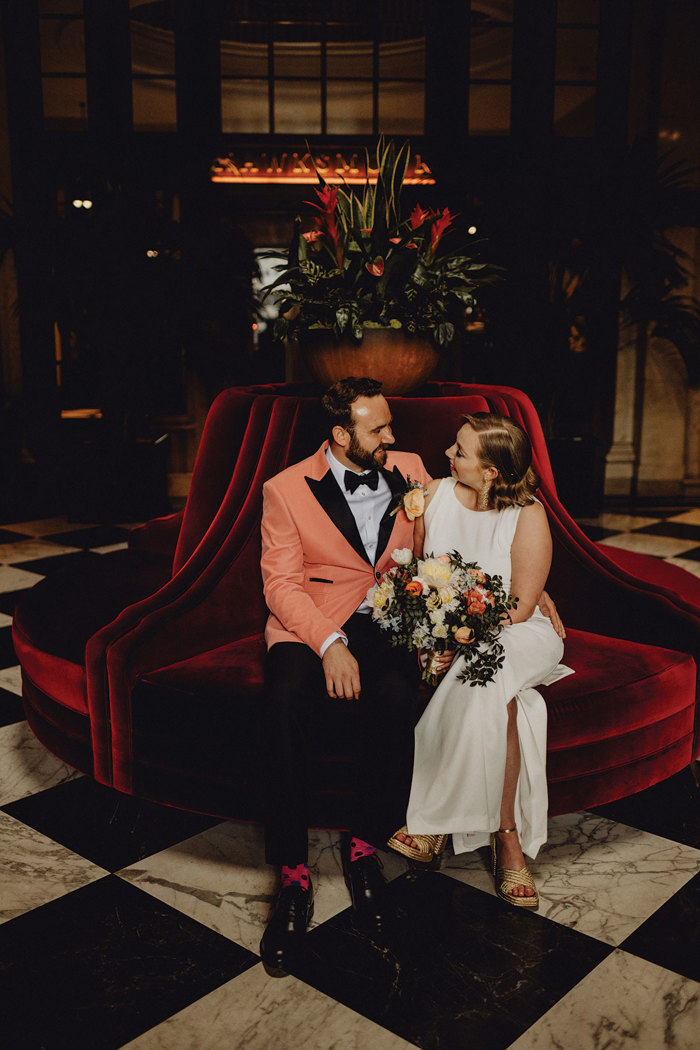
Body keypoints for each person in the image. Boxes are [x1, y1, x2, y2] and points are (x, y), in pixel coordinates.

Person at [258, 376, 431, 975]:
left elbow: (461, 531)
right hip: (310, 621)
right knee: (281, 703)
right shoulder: (284, 489)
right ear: (340, 434)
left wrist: (535, 597)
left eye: (388, 424)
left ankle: (364, 847)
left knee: (394, 696)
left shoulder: (409, 468)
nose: (392, 436)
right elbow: (279, 583)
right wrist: (329, 643)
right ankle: (292, 876)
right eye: (378, 428)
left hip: (385, 617)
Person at [388, 412, 573, 909]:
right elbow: (425, 577)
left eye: (460, 451)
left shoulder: (528, 513)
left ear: (491, 471)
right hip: (465, 631)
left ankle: (431, 823)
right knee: (504, 703)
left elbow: (521, 607)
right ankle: (506, 838)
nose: (448, 454)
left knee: (484, 663)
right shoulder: (434, 497)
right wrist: (439, 631)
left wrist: (463, 638)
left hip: (519, 633)